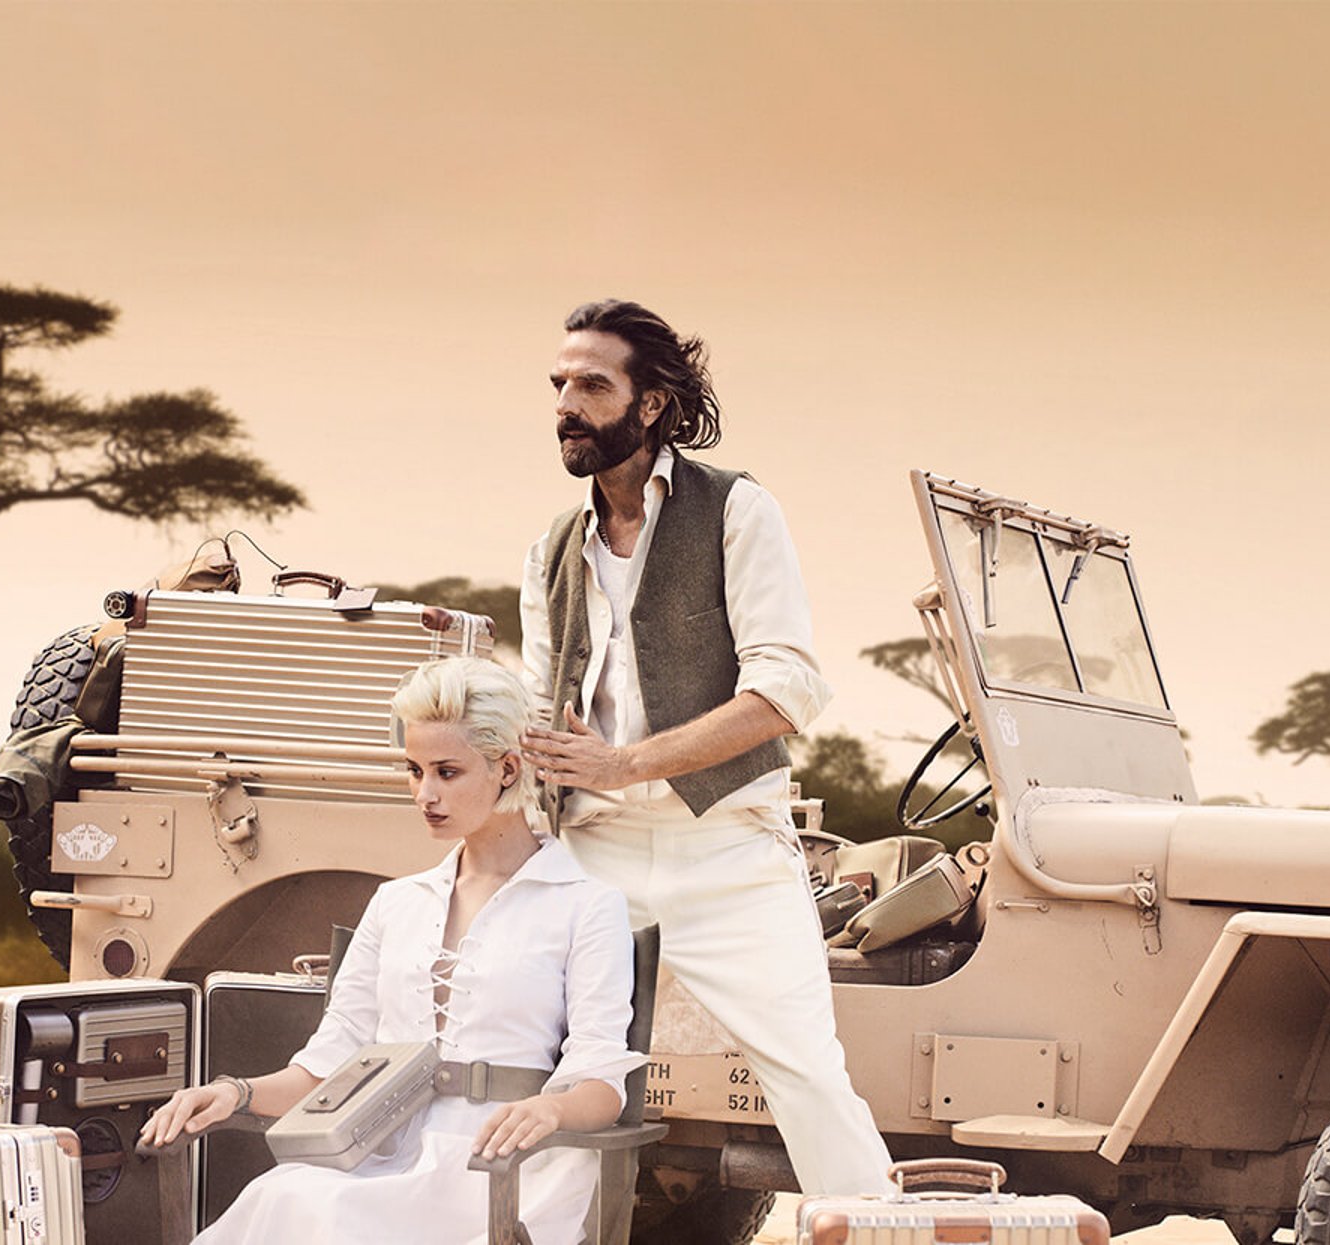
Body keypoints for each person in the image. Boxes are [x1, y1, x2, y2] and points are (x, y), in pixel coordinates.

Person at [518, 299, 893, 1196]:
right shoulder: (549, 551)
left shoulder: (737, 510)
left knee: (806, 1071)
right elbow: (541, 707)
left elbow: (783, 690)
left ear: (649, 405)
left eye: (592, 384)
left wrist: (625, 763)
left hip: (726, 845)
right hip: (590, 854)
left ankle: (877, 1223)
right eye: (560, 384)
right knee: (546, 1073)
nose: (568, 402)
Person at [140, 656, 642, 1245]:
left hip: (508, 1168)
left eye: (447, 772)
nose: (424, 793)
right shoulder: (396, 903)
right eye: (414, 770)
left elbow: (601, 1081)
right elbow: (330, 1063)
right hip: (379, 1150)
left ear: (508, 769)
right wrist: (234, 1092)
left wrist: (550, 1111)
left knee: (326, 1215)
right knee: (283, 1197)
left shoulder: (586, 904)